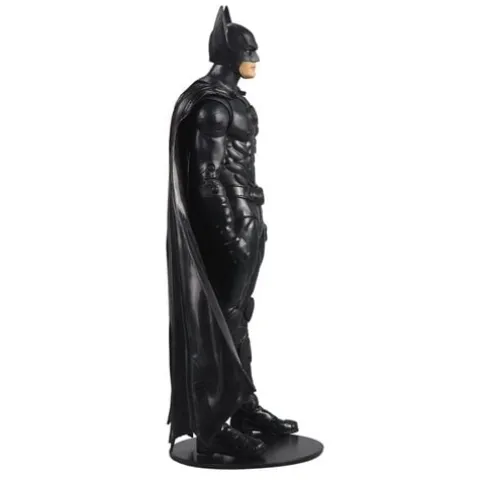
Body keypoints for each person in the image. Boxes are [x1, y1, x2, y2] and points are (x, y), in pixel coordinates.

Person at [167, 6, 297, 458]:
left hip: (248, 213)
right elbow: (207, 177)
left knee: (239, 314)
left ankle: (242, 406)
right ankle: (210, 429)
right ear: (230, 55)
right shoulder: (213, 107)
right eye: (249, 52)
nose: (255, 59)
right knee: (217, 320)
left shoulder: (232, 100)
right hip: (229, 221)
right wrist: (227, 228)